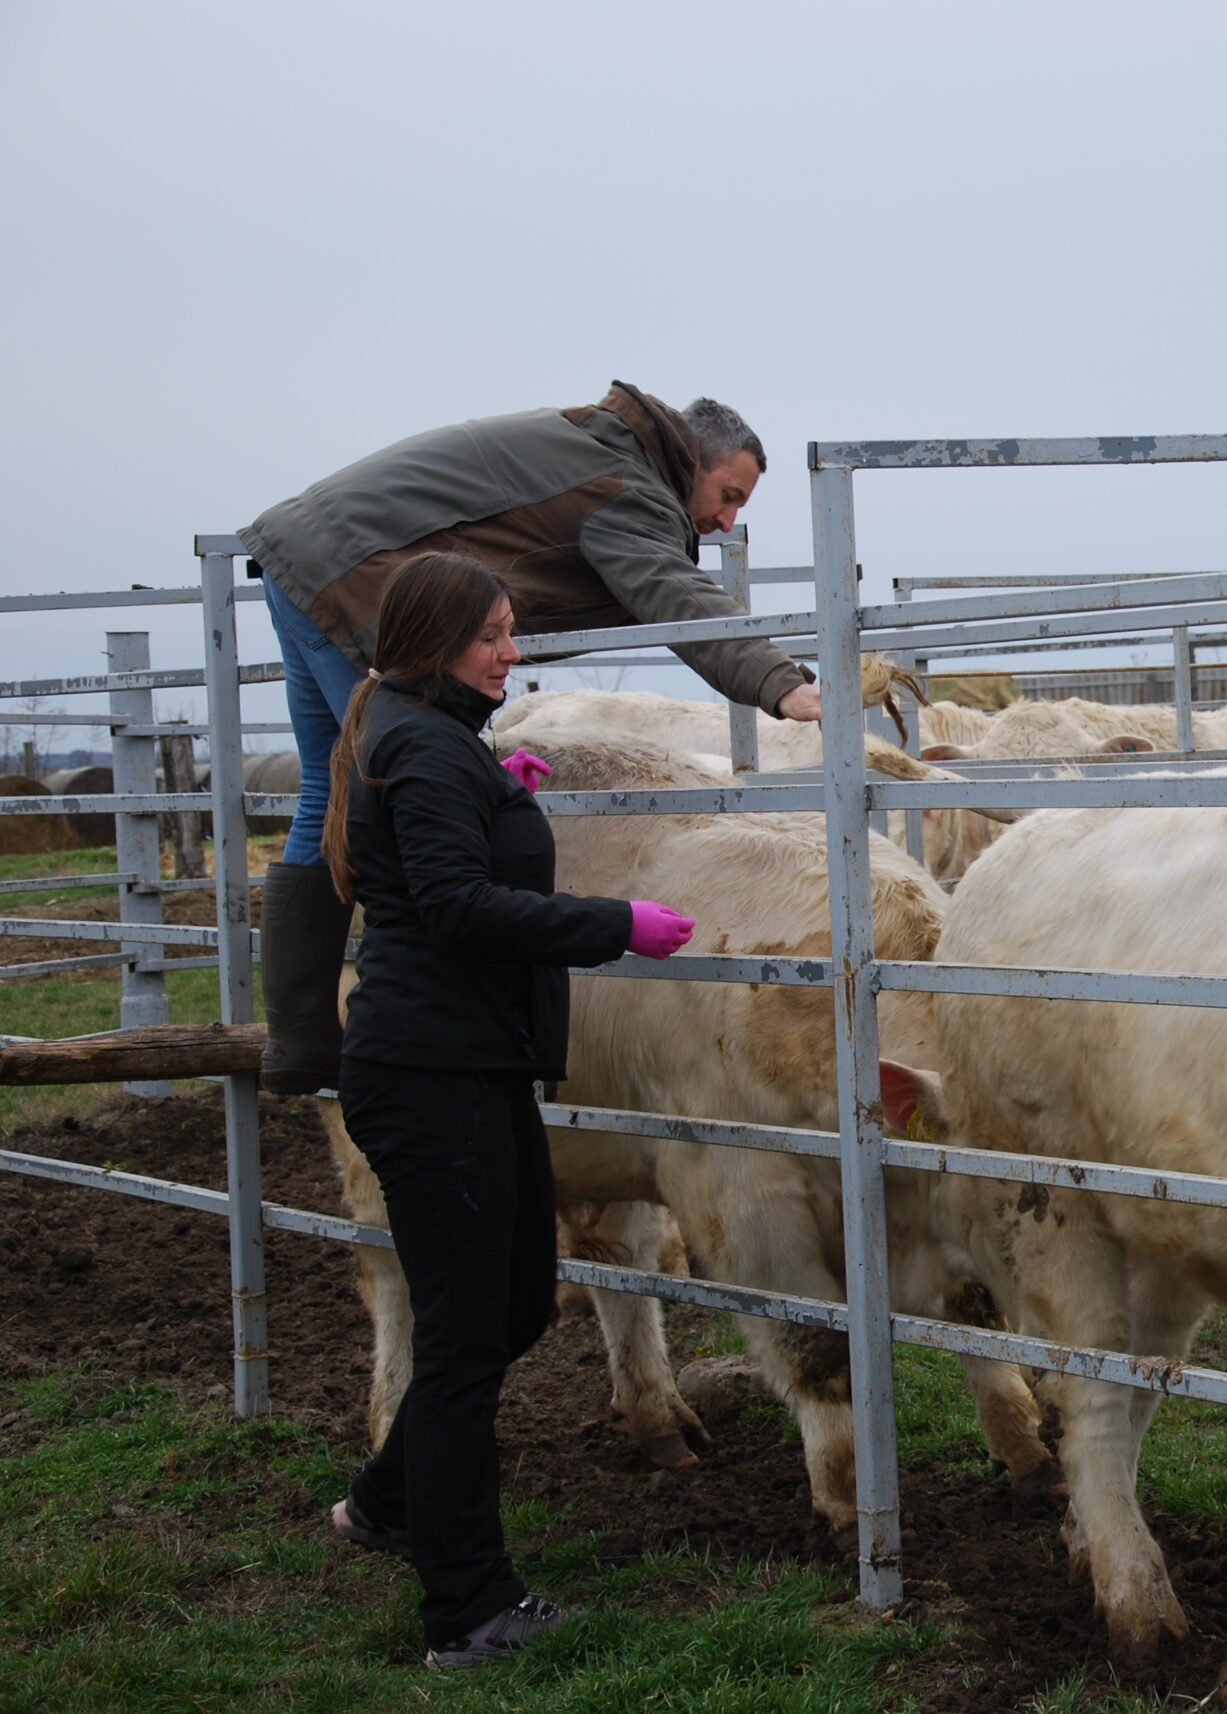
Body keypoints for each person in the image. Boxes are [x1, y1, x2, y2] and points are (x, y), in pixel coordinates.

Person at [316, 552, 698, 1668]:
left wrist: (500, 790)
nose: (511, 650)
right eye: (493, 634)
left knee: (518, 1299)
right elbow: (454, 907)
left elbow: (444, 854)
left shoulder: (430, 737)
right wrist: (611, 920)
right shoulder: (423, 748)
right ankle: (469, 1606)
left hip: (472, 1066)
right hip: (431, 1075)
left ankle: (387, 1505)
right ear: (436, 639)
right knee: (467, 1337)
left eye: (511, 630)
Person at [240, 382, 815, 1094]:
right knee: (419, 782)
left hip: (305, 554)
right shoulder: (627, 484)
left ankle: (299, 1041)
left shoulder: (603, 446)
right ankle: (422, 1032)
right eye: (728, 495)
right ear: (692, 459)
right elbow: (672, 590)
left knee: (326, 799)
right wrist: (780, 681)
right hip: (353, 576)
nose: (726, 522)